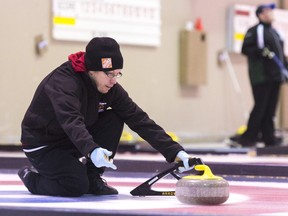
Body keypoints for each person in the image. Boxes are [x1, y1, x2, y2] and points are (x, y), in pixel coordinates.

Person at [18, 37, 192, 197]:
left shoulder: (109, 87)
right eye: (109, 74)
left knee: (115, 116)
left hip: (73, 139)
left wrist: (175, 151)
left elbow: (138, 118)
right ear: (91, 71)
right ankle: (31, 177)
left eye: (117, 74)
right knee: (75, 185)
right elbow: (71, 121)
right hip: (44, 143)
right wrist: (92, 149)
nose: (114, 80)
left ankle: (94, 177)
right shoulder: (64, 83)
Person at [233, 3, 287, 147]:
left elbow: (281, 55)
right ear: (260, 14)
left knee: (270, 109)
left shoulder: (275, 33)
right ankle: (248, 137)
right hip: (262, 76)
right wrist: (260, 52)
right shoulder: (256, 30)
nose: (271, 14)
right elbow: (246, 49)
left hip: (276, 76)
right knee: (260, 107)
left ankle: (269, 137)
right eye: (268, 11)